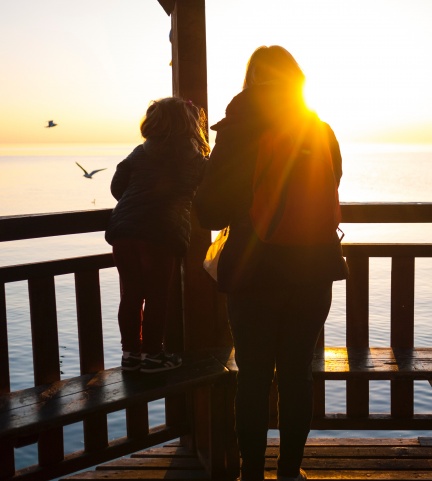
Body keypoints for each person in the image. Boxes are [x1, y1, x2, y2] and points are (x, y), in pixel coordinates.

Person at [194, 46, 348, 481]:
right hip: (315, 266)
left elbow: (210, 211)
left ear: (252, 81)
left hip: (254, 271)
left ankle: (251, 475)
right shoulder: (319, 128)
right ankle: (290, 472)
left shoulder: (240, 127)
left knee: (255, 375)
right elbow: (332, 182)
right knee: (298, 373)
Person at [105, 97, 209, 373]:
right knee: (157, 295)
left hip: (123, 231)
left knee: (131, 294)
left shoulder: (139, 153)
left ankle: (130, 354)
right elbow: (207, 192)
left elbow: (117, 188)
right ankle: (153, 355)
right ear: (189, 124)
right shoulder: (194, 158)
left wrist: (135, 205)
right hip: (161, 234)